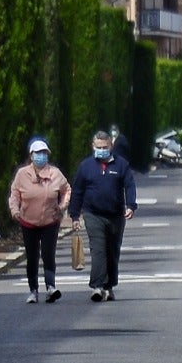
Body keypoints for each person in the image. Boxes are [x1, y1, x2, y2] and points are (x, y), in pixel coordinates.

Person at [69, 128, 137, 301]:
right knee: (98, 249)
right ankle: (97, 286)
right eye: (98, 146)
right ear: (93, 146)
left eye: (105, 146)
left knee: (112, 251)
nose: (101, 149)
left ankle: (109, 285)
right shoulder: (86, 166)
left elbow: (129, 185)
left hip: (115, 215)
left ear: (111, 145)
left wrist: (131, 205)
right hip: (93, 214)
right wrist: (75, 215)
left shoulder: (121, 164)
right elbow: (77, 191)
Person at [9, 136, 70, 303]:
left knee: (48, 254)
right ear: (31, 155)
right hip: (28, 221)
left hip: (50, 220)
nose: (41, 156)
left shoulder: (55, 173)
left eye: (44, 153)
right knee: (32, 256)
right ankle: (33, 290)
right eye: (38, 153)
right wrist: (15, 210)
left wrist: (62, 206)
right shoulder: (22, 174)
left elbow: (66, 190)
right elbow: (14, 195)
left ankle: (51, 286)